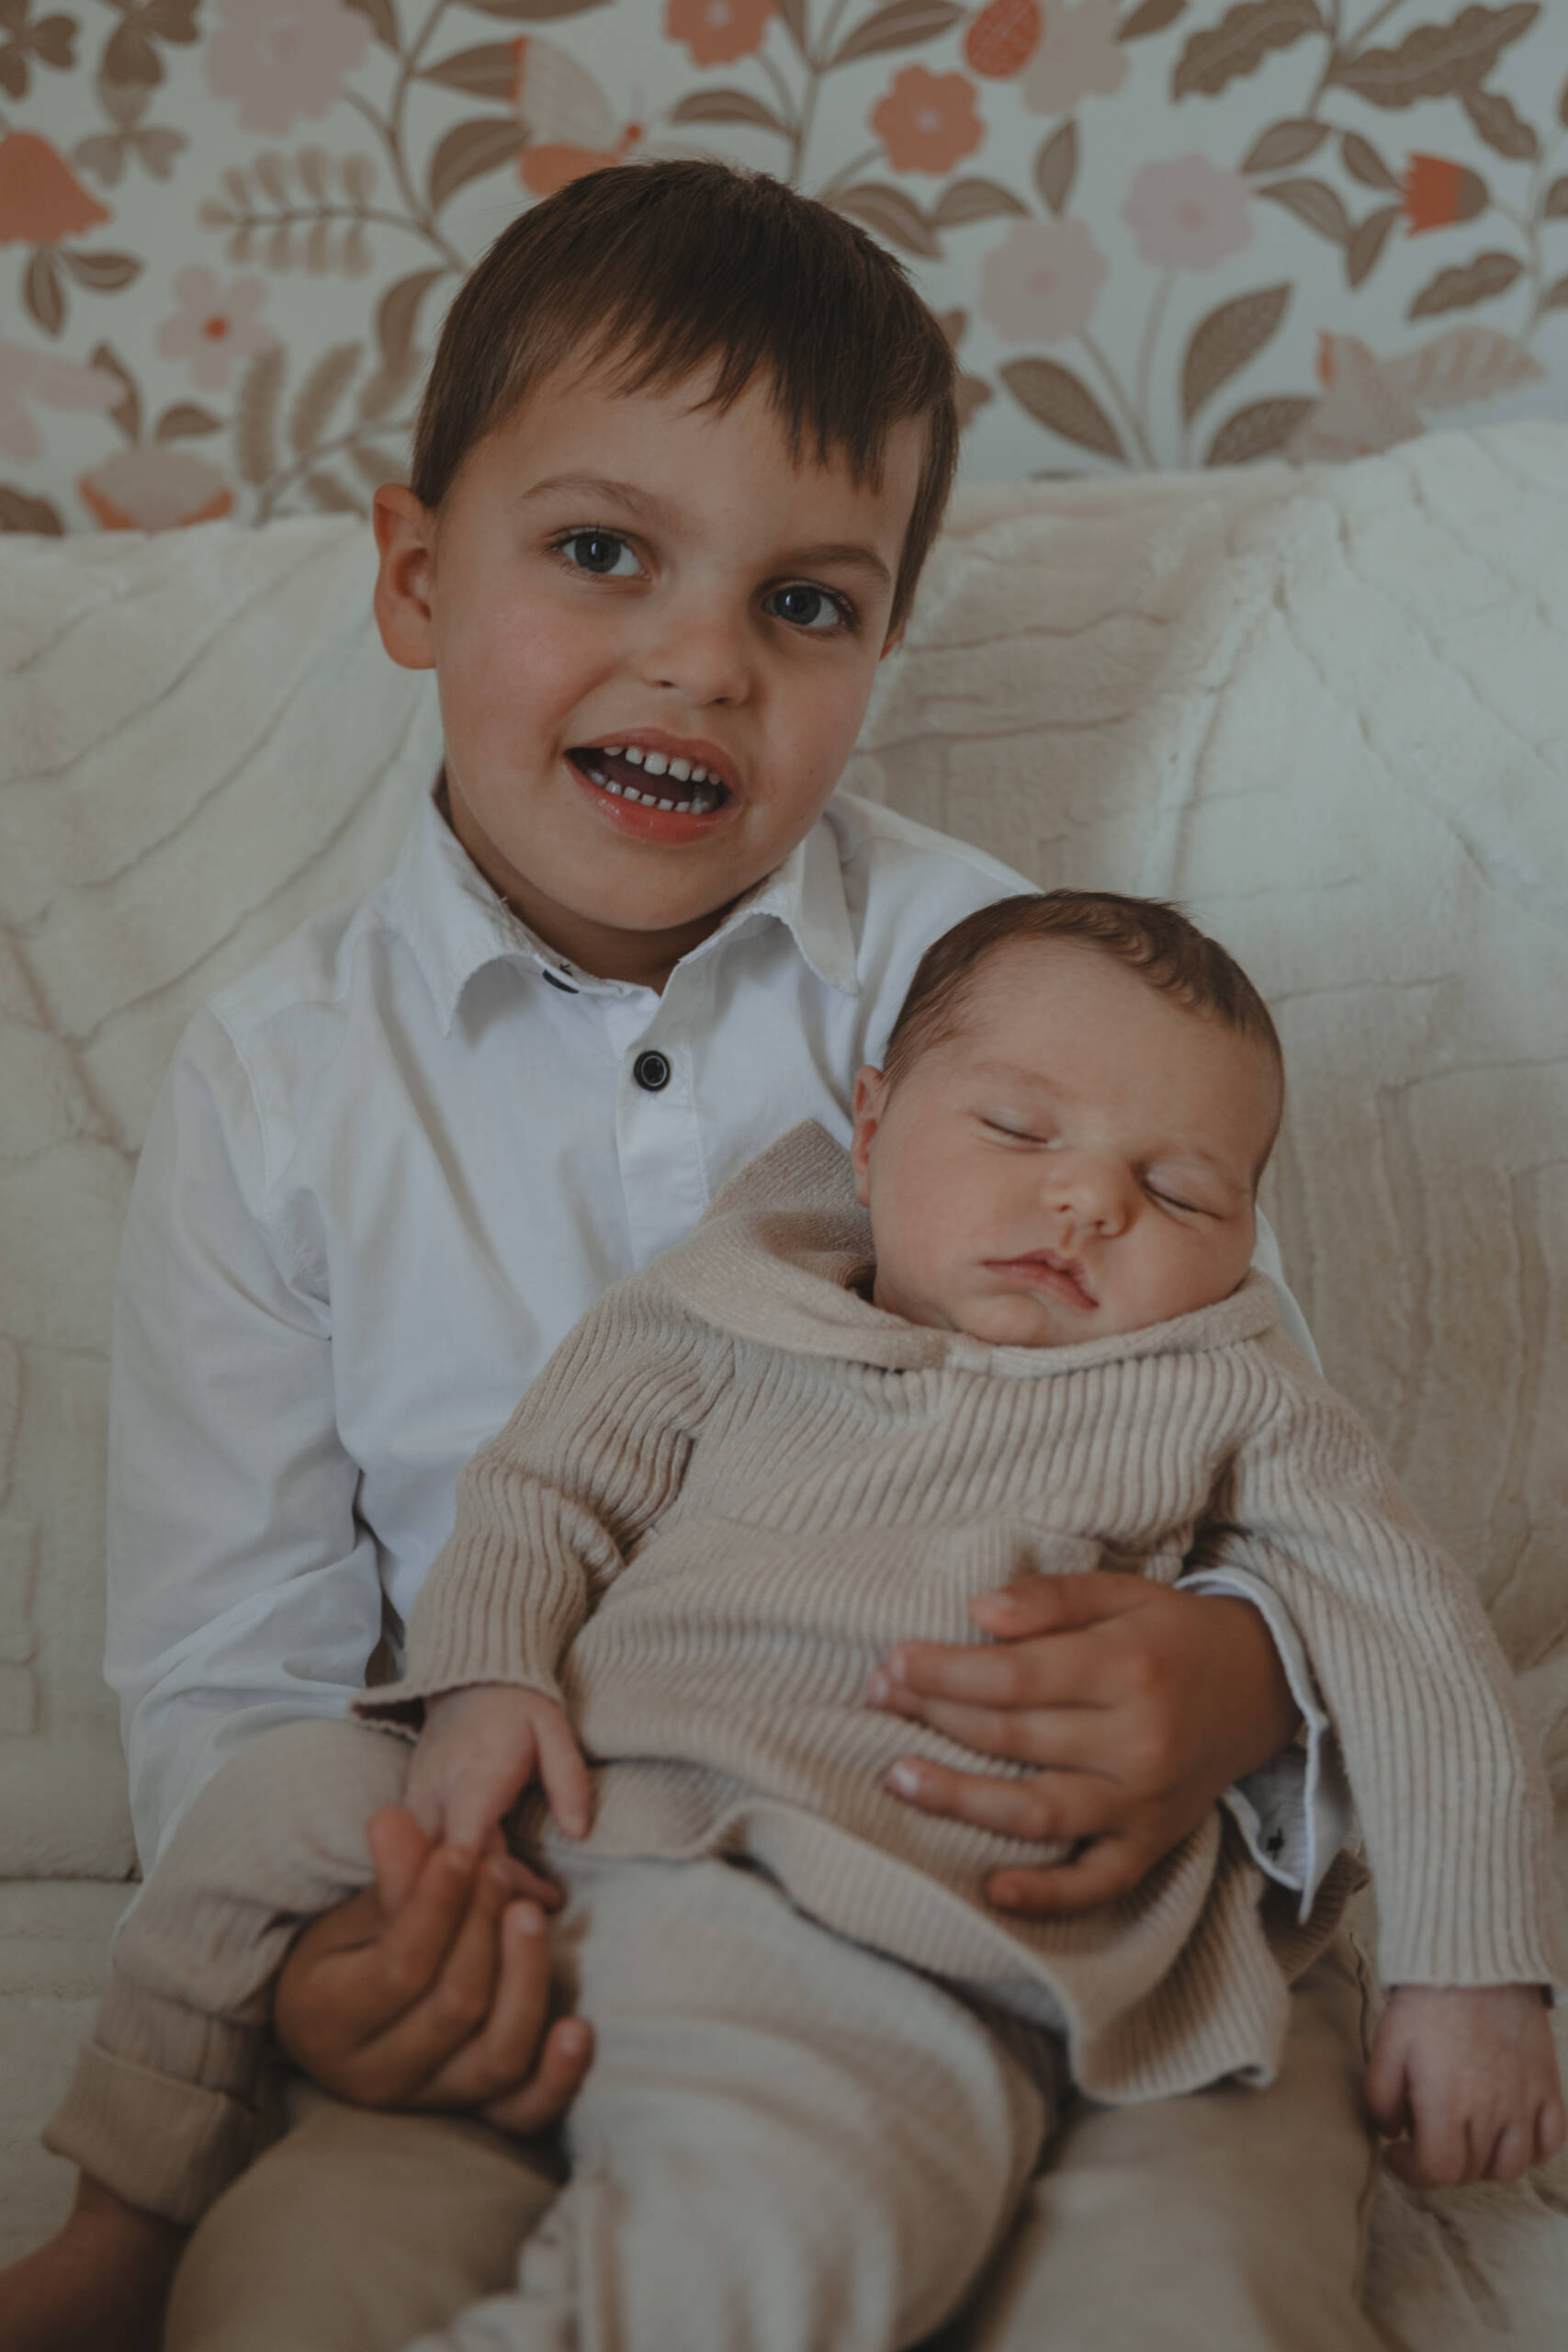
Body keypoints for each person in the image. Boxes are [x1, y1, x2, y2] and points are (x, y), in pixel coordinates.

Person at [5, 162, 1372, 2352]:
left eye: (804, 602)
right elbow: (235, 1667)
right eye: (598, 551)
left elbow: (1278, 1447)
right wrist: (339, 1958)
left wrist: (1230, 1683)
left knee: (1192, 2290)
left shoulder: (1004, 988)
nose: (702, 659)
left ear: (880, 650)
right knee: (297, 2285)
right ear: (414, 575)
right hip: (557, 1915)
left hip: (1070, 1928)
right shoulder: (280, 1085)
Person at [36, 892, 1567, 2352]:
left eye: (1178, 1193)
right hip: (568, 1818)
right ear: (874, 1123)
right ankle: (135, 2207)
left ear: (1242, 1240)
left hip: (879, 1907)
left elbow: (1419, 1654)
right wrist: (487, 1678)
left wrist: (1472, 1974)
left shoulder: (1234, 1392)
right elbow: (544, 1488)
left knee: (797, 2191)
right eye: (1019, 1131)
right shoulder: (734, 1292)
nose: (1090, 1200)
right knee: (278, 1796)